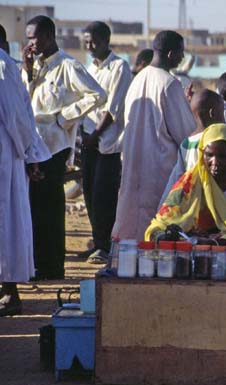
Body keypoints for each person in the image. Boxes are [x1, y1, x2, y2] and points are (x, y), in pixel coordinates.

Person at [22, 15, 107, 279]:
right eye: (27, 39)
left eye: (34, 38)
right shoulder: (33, 66)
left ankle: (52, 266)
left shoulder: (68, 66)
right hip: (33, 144)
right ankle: (38, 263)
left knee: (50, 207)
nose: (30, 44)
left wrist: (65, 118)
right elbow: (26, 101)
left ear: (48, 36)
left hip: (54, 145)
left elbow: (98, 95)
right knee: (34, 207)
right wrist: (28, 71)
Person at [112, 30, 196, 241]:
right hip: (160, 167)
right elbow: (186, 133)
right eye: (180, 53)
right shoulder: (170, 83)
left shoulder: (138, 79)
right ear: (170, 55)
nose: (182, 58)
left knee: (132, 224)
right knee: (157, 226)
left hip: (134, 163)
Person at [145, 124, 226, 247]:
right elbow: (164, 219)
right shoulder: (191, 182)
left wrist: (214, 243)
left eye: (223, 156)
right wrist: (164, 235)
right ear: (201, 154)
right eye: (209, 155)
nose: (215, 162)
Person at [0, 36, 51, 316]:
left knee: (6, 225)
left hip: (6, 157)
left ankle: (10, 293)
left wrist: (30, 153)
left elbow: (17, 118)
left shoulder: (3, 67)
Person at [80, 21, 133, 264]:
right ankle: (97, 242)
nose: (89, 46)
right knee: (90, 194)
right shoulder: (90, 68)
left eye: (94, 41)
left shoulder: (119, 67)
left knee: (104, 195)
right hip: (89, 140)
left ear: (105, 41)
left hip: (108, 142)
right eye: (86, 41)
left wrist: (96, 135)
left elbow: (113, 109)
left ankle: (106, 245)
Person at [159, 89, 225, 204]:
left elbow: (176, 178)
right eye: (222, 112)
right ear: (212, 113)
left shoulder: (186, 144)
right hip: (218, 200)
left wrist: (164, 208)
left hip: (193, 202)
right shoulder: (219, 140)